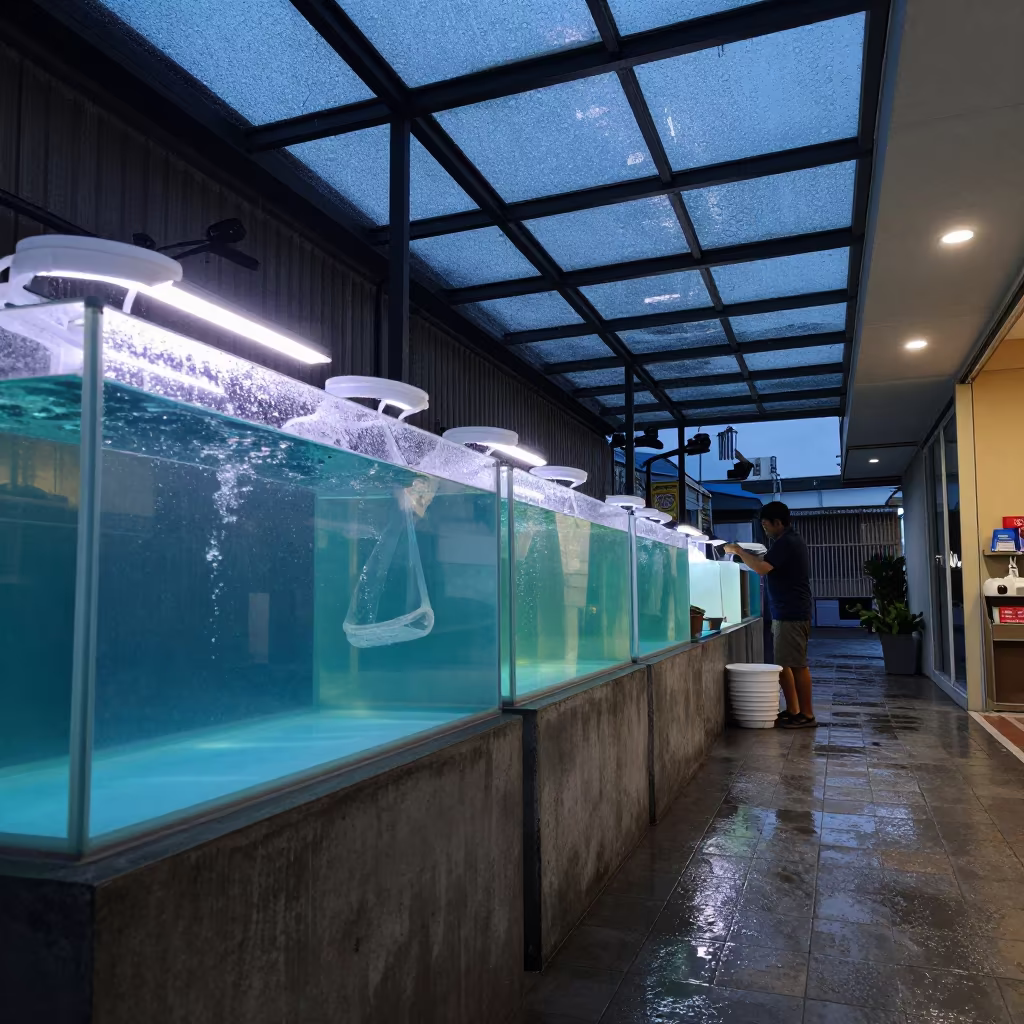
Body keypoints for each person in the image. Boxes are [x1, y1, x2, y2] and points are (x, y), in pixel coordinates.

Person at [723, 501, 815, 729]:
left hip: (792, 613)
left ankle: (807, 715)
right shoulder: (786, 541)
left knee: (797, 665)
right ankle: (794, 710)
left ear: (778, 523)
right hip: (787, 611)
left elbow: (762, 568)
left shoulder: (787, 542)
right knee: (785, 665)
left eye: (766, 526)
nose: (765, 530)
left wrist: (738, 551)